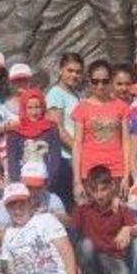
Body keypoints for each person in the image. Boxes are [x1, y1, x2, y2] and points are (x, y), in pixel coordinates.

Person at [0, 183, 84, 274]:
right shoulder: (8, 233)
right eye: (12, 206)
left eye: (22, 204)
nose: (17, 210)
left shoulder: (46, 220)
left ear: (30, 203)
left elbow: (66, 249)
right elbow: (11, 268)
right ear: (7, 209)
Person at [71, 60, 131, 201]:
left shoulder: (122, 107)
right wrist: (77, 180)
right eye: (95, 81)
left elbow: (126, 142)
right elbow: (77, 144)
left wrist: (126, 176)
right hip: (89, 172)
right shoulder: (82, 108)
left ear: (111, 81)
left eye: (105, 81)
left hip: (115, 171)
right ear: (89, 82)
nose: (100, 86)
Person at [74, 166, 137, 274]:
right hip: (91, 257)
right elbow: (72, 236)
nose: (99, 195)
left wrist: (128, 228)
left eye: (103, 189)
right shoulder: (83, 209)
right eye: (94, 190)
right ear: (88, 189)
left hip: (112, 258)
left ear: (112, 186)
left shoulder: (120, 208)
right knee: (86, 245)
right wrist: (74, 264)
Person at [46, 52, 83, 207]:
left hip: (75, 157)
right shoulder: (55, 93)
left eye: (78, 72)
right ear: (61, 70)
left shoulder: (76, 95)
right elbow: (57, 128)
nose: (74, 75)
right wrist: (78, 149)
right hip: (64, 159)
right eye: (70, 70)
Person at [7, 88, 63, 190]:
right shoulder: (14, 132)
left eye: (37, 107)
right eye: (30, 108)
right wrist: (18, 184)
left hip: (45, 182)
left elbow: (55, 158)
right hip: (22, 183)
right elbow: (12, 161)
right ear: (24, 108)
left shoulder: (51, 129)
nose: (34, 112)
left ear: (43, 107)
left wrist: (48, 182)